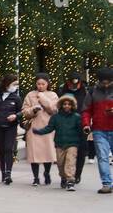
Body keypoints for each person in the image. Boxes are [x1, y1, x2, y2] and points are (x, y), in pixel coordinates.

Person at [32, 95, 84, 191]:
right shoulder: (55, 117)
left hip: (73, 143)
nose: (67, 106)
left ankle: (70, 181)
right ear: (61, 105)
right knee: (60, 163)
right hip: (60, 143)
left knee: (70, 162)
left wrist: (86, 132)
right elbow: (49, 128)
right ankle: (63, 177)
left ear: (72, 106)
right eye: (64, 104)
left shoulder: (76, 117)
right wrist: (39, 131)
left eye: (69, 104)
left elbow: (81, 130)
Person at [21, 74, 59, 186]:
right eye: (38, 84)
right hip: (34, 127)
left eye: (43, 84)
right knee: (34, 154)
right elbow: (25, 111)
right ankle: (35, 177)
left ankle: (47, 173)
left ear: (47, 84)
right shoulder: (30, 95)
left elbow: (54, 109)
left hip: (48, 127)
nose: (40, 86)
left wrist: (42, 97)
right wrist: (33, 109)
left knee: (47, 152)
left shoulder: (53, 95)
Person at [81, 66, 113, 195]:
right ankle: (106, 183)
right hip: (99, 129)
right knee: (102, 157)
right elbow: (86, 110)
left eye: (108, 81)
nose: (105, 84)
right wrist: (86, 124)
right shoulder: (93, 92)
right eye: (103, 81)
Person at [58, 73, 90, 185]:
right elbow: (59, 107)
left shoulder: (85, 91)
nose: (74, 84)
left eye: (76, 81)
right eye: (72, 81)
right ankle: (64, 176)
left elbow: (88, 107)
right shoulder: (63, 90)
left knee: (81, 151)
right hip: (65, 124)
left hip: (81, 124)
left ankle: (76, 175)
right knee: (64, 152)